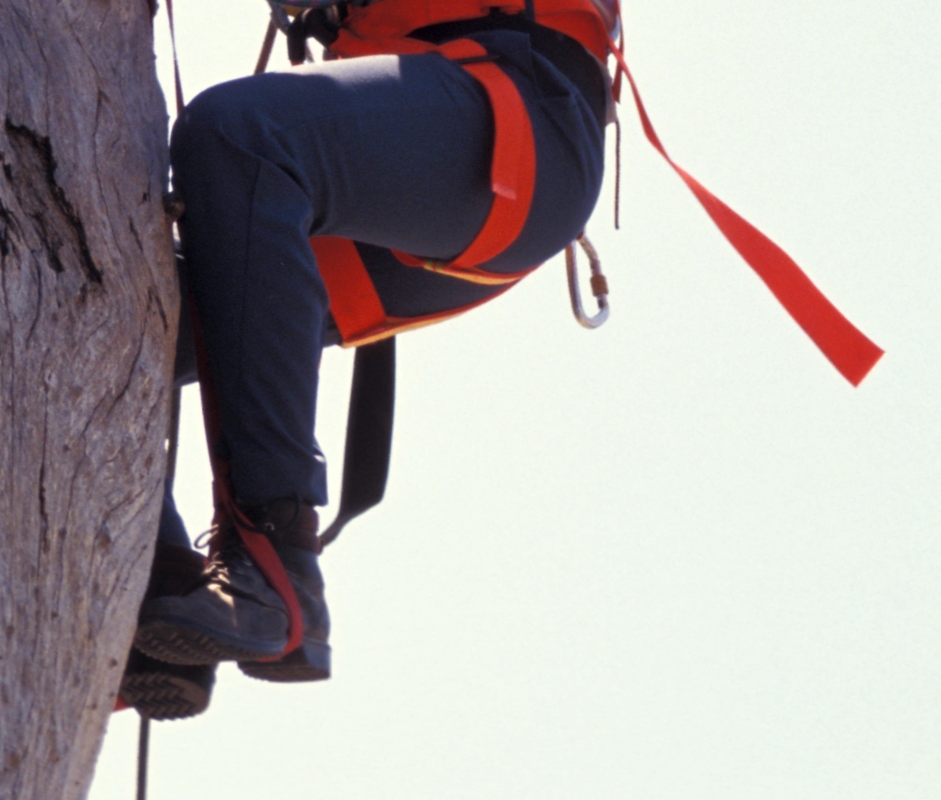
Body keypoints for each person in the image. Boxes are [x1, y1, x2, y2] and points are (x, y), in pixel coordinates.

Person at [119, 0, 620, 718]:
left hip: (514, 117)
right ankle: (165, 585)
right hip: (414, 191)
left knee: (240, 133)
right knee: (118, 314)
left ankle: (272, 563)